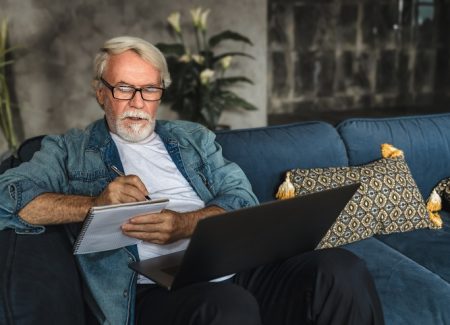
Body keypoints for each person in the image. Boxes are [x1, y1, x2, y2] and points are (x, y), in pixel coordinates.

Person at [0, 36, 384, 325]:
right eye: (123, 88)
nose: (137, 101)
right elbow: (7, 197)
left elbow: (241, 197)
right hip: (152, 288)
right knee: (228, 306)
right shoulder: (71, 149)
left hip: (235, 263)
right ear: (101, 93)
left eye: (149, 89)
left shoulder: (192, 138)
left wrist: (185, 225)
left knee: (340, 269)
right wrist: (94, 206)